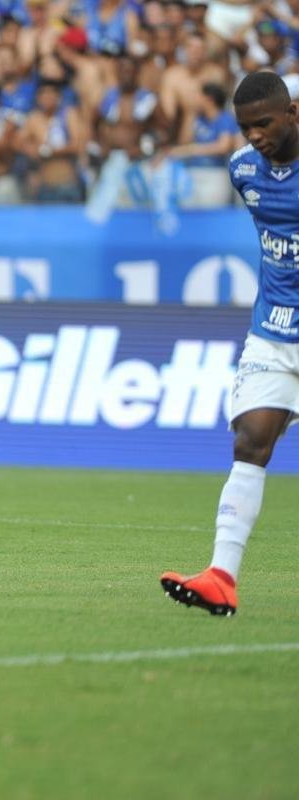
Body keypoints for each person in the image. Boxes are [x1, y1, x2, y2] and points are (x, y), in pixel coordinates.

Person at [160, 71, 299, 616]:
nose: (254, 137)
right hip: (274, 330)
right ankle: (221, 576)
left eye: (263, 124)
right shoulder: (243, 170)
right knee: (250, 441)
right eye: (245, 128)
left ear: (292, 114)